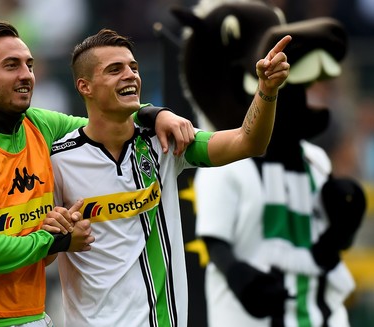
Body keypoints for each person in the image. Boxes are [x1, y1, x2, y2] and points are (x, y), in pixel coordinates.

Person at [0, 22, 195, 327]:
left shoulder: (39, 125)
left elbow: (109, 116)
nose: (26, 75)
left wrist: (155, 113)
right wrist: (53, 241)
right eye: (11, 66)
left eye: (29, 65)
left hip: (31, 315)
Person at [43, 28, 291, 327]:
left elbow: (248, 142)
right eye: (114, 69)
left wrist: (267, 90)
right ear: (85, 86)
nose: (130, 75)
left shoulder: (164, 141)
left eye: (133, 67)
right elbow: (44, 257)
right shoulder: (59, 158)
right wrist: (57, 238)